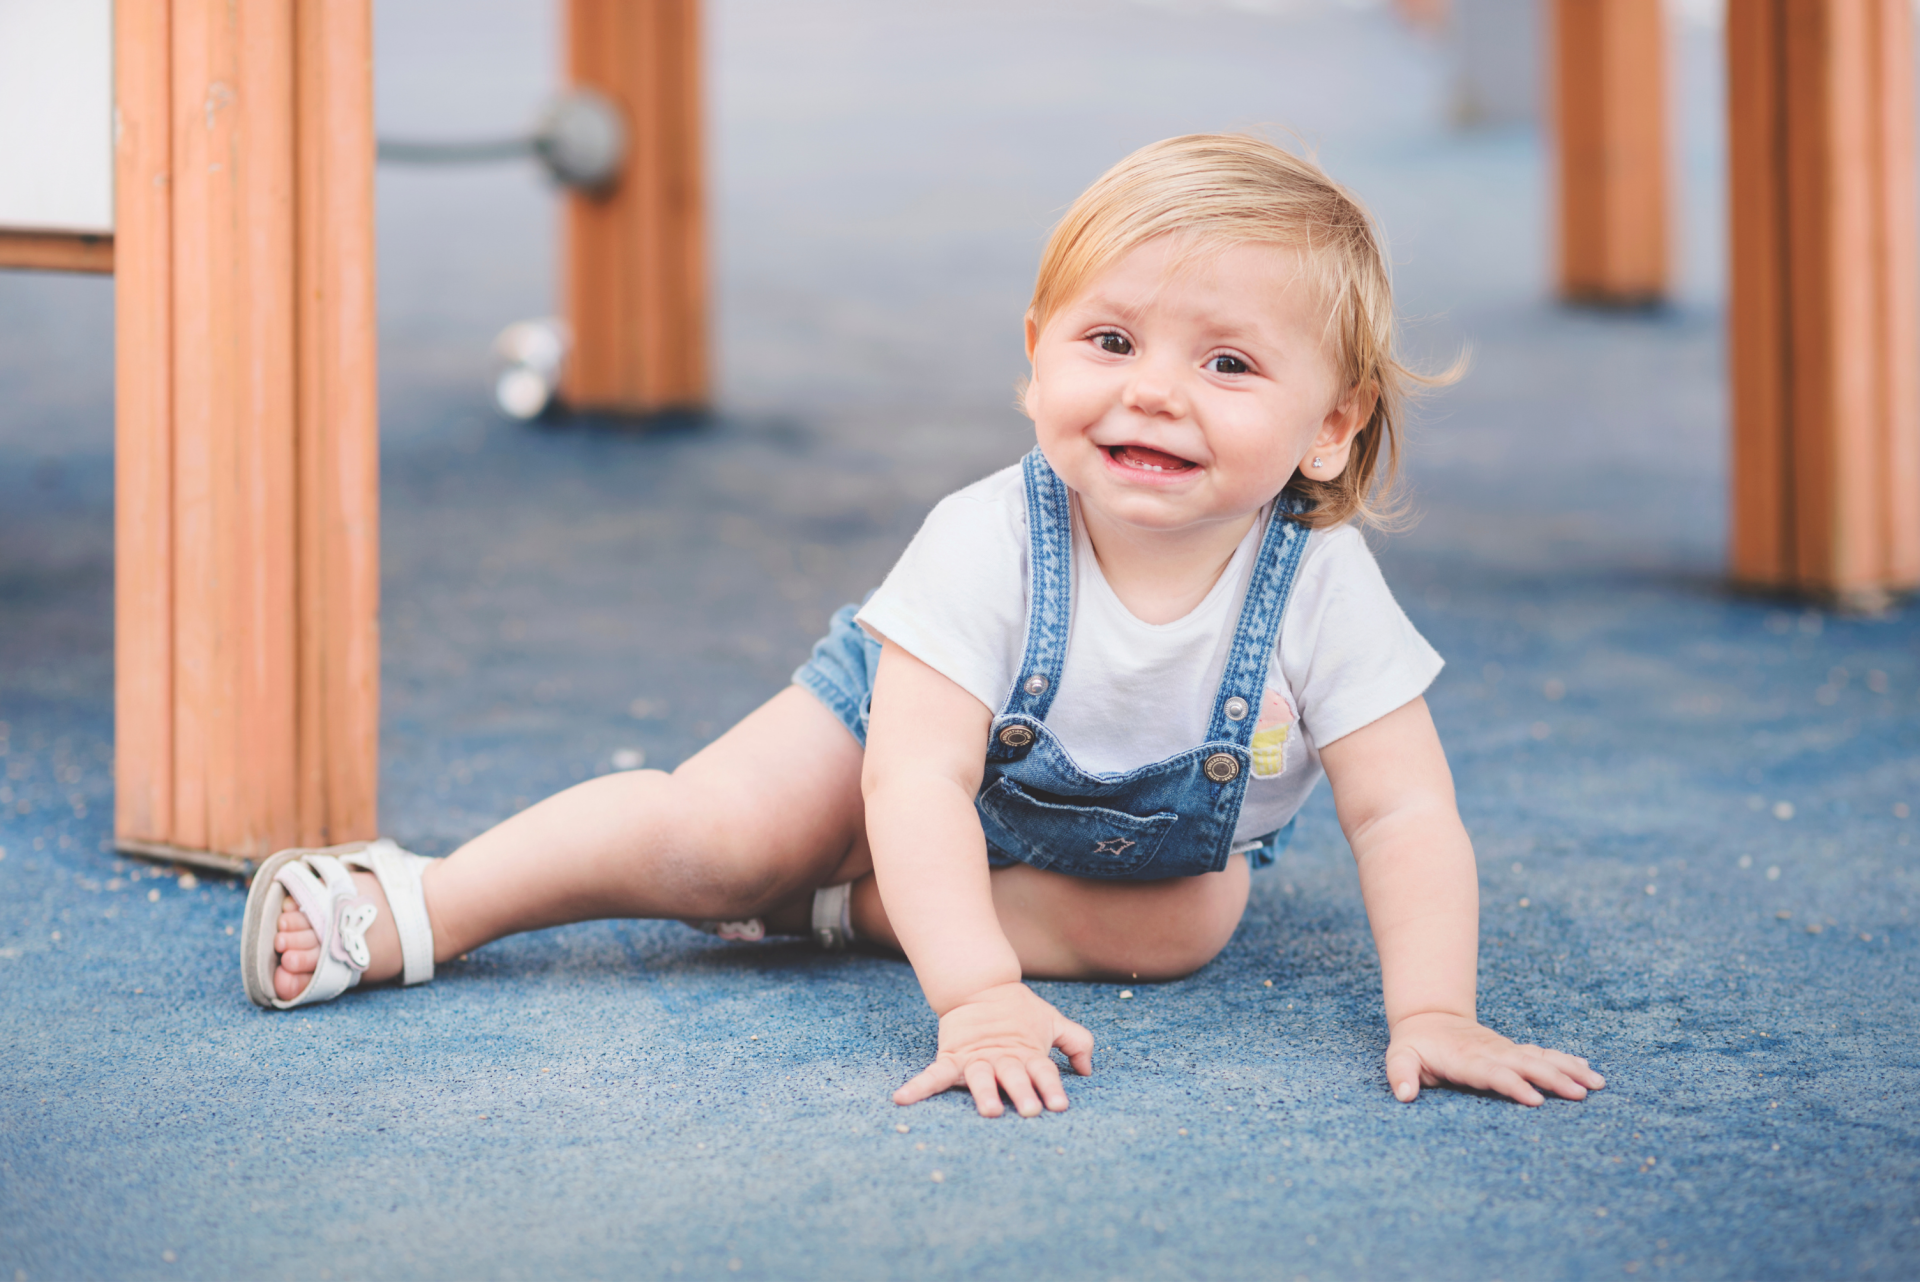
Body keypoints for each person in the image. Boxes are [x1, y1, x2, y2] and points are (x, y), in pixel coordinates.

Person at [245, 134, 1605, 1118]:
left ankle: (837, 906)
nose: (1155, 394)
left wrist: (1433, 1006)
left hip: (1086, 850)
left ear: (1332, 424)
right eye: (1111, 341)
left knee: (1190, 925)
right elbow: (914, 773)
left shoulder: (1322, 584)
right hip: (891, 727)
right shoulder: (990, 538)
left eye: (1229, 363)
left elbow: (1404, 814)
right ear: (1036, 356)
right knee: (712, 840)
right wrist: (978, 993)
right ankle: (422, 899)